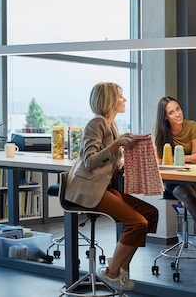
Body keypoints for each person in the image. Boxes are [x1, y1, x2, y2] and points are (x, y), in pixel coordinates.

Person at [65, 82, 159, 291]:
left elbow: (110, 163)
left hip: (105, 188)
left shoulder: (112, 125)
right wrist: (117, 145)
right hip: (91, 189)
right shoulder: (96, 123)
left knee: (150, 214)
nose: (124, 100)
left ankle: (120, 270)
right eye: (121, 96)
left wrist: (129, 158)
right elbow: (89, 161)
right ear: (109, 100)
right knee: (137, 223)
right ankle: (111, 272)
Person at [154, 96, 196, 227]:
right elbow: (159, 160)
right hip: (173, 178)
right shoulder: (162, 133)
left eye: (178, 109)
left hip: (193, 175)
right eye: (171, 112)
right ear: (165, 117)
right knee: (189, 199)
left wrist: (175, 159)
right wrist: (180, 160)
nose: (177, 114)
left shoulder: (192, 126)